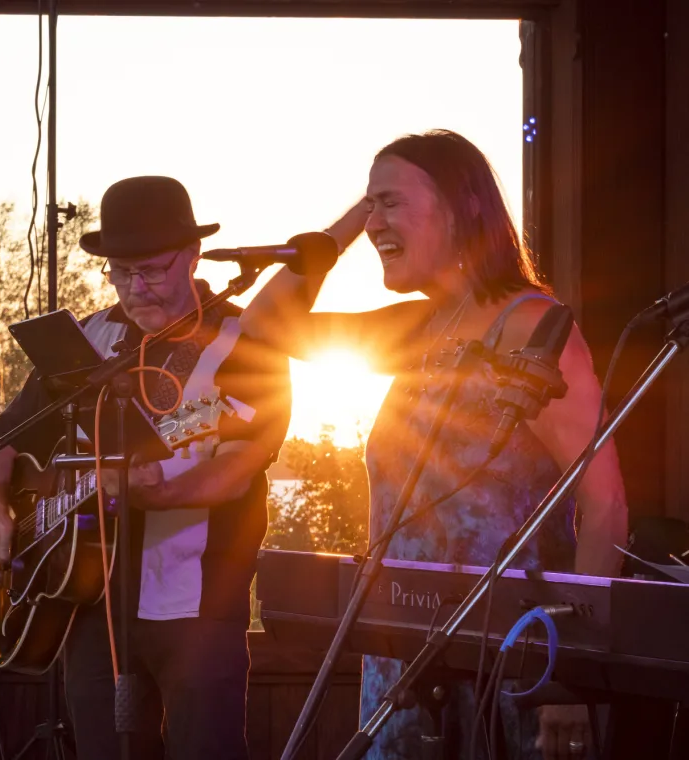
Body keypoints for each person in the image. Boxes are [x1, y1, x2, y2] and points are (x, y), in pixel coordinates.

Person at [241, 130, 628, 760]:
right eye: (368, 206)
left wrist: (569, 675)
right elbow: (259, 329)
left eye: (390, 202)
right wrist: (336, 236)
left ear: (462, 205)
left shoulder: (528, 325)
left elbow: (606, 505)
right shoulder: (418, 328)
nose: (374, 223)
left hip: (517, 660)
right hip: (404, 656)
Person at [0, 176, 292, 759]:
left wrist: (155, 496)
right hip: (91, 601)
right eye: (120, 272)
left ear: (193, 256)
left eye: (152, 270)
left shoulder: (249, 341)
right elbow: (0, 442)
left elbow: (237, 468)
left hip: (201, 606)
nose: (135, 288)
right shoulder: (88, 336)